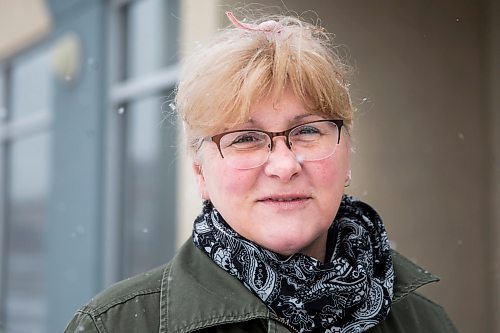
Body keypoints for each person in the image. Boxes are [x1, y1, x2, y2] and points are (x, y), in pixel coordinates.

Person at [65, 9, 458, 333]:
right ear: (201, 172)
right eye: (245, 138)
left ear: (347, 155)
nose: (284, 165)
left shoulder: (423, 322)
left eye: (307, 131)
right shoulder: (114, 326)